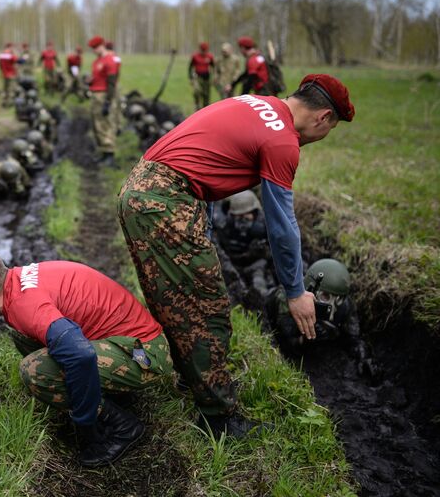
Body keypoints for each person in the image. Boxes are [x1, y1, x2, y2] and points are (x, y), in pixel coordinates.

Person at [117, 74, 355, 437]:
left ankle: (190, 380)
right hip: (166, 201)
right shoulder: (282, 141)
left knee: (173, 303)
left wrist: (205, 232)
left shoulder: (254, 103)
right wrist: (295, 292)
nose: (323, 137)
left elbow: (203, 164)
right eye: (331, 128)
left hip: (142, 188)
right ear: (323, 118)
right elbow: (281, 226)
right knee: (206, 309)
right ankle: (218, 419)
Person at [0, 249, 174, 466]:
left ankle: (123, 426)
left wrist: (86, 423)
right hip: (126, 341)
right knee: (24, 338)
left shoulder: (26, 306)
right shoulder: (18, 283)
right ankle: (103, 393)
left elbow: (80, 355)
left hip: (145, 354)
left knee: (34, 371)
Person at [263, 259, 378, 379]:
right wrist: (306, 338)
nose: (332, 306)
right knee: (263, 287)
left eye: (338, 299)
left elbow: (353, 338)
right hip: (270, 300)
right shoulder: (286, 299)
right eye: (325, 296)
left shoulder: (345, 306)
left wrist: (364, 356)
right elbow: (285, 341)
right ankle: (259, 270)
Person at [214, 190, 275, 308]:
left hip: (256, 266)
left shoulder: (265, 227)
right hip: (231, 267)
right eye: (238, 216)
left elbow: (275, 257)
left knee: (260, 291)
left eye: (246, 216)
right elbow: (219, 252)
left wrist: (262, 252)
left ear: (255, 213)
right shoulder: (224, 226)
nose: (242, 221)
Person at [87, 36, 119, 166]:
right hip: (95, 95)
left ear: (102, 45)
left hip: (104, 95)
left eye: (95, 48)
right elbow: (98, 77)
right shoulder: (97, 61)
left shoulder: (109, 61)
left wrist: (108, 102)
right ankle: (103, 152)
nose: (94, 50)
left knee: (105, 124)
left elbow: (111, 83)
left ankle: (109, 153)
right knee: (97, 125)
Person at [189, 42, 215, 111]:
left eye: (205, 50)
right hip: (197, 77)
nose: (203, 52)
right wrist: (191, 78)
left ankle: (205, 108)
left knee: (206, 94)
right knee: (197, 91)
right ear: (200, 49)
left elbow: (213, 66)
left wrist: (214, 76)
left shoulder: (210, 56)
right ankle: (197, 106)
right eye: (202, 50)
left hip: (206, 78)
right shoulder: (195, 56)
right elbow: (190, 67)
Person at [105, 41, 124, 132]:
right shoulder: (117, 58)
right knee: (118, 106)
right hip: (116, 82)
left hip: (109, 84)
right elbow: (118, 71)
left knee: (111, 105)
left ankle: (111, 127)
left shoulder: (107, 58)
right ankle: (119, 125)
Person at [0, 43, 18, 107]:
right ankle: (9, 103)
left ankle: (4, 101)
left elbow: (0, 65)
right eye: (11, 48)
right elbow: (17, 60)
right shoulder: (10, 55)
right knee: (11, 89)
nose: (12, 49)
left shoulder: (1, 55)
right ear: (9, 48)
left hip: (4, 74)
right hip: (11, 74)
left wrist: (2, 71)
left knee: (5, 88)